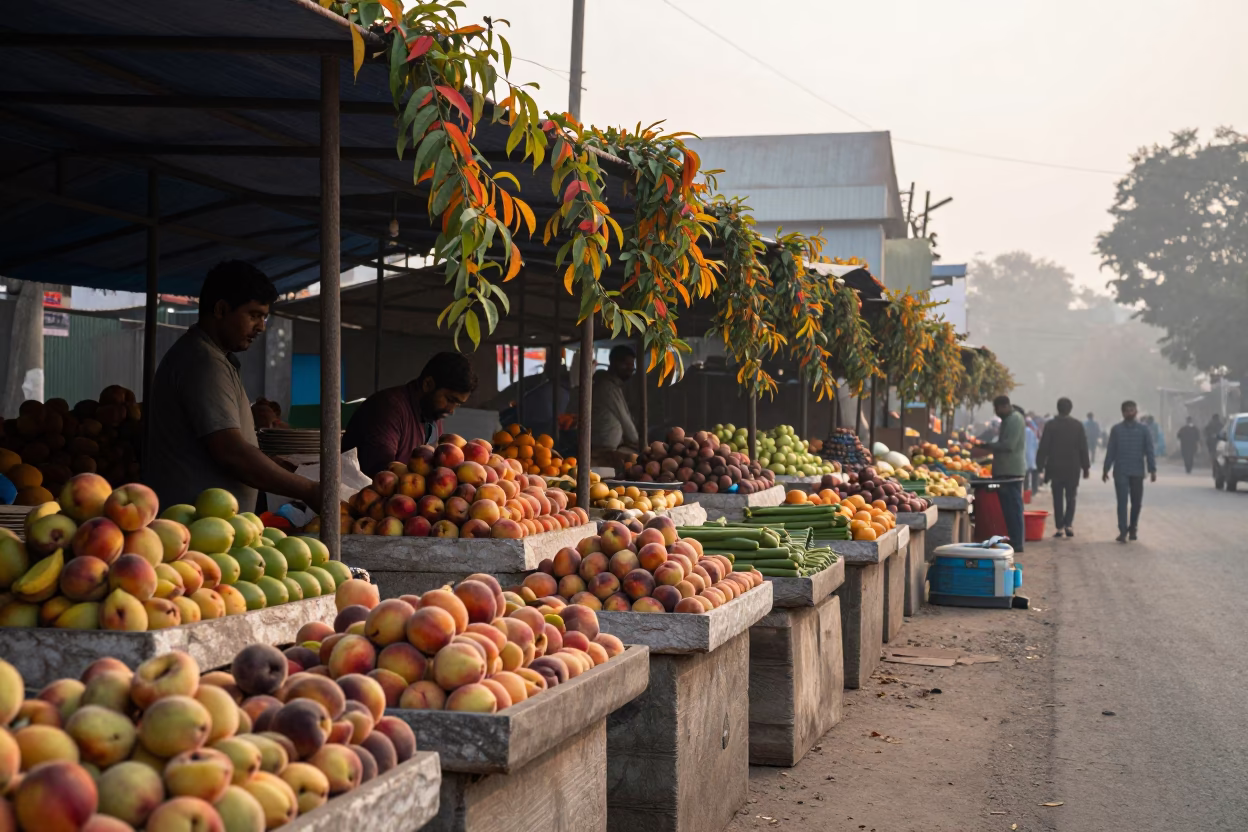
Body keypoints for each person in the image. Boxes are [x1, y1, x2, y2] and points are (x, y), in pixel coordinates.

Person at [146, 260, 323, 513]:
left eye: (264, 317)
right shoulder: (203, 362)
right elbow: (231, 452)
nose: (261, 327)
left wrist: (277, 465)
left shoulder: (215, 357)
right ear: (220, 309)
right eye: (253, 315)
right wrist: (309, 491)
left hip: (215, 529)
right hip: (195, 529)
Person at [342, 352, 477, 476]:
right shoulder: (388, 408)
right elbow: (382, 475)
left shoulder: (432, 416)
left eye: (457, 404)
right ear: (428, 384)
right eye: (450, 400)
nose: (451, 410)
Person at [972, 395, 1026, 552]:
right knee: (1009, 509)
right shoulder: (1009, 419)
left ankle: (1017, 542)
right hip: (1005, 470)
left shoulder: (1014, 419)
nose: (996, 412)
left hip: (1011, 471)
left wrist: (987, 446)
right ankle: (1015, 541)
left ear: (1004, 406)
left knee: (1014, 509)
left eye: (997, 409)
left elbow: (1009, 445)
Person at [1103, 400, 1156, 543]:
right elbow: (1111, 451)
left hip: (1137, 471)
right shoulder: (1116, 430)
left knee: (1136, 502)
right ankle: (1122, 531)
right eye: (1127, 410)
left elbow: (1149, 450)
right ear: (1122, 412)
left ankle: (1133, 527)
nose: (1130, 412)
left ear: (1136, 412)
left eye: (1132, 410)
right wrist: (1106, 469)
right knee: (1122, 502)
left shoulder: (1144, 430)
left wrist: (1152, 469)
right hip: (1121, 470)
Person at [1036, 397, 1090, 538]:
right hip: (1073, 467)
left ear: (1057, 408)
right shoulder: (1077, 425)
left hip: (1055, 467)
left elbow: (1044, 447)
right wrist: (1085, 467)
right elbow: (1083, 447)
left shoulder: (1051, 425)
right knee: (1071, 496)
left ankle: (1059, 526)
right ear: (1070, 409)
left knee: (1057, 497)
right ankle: (1068, 524)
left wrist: (1040, 466)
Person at [590, 345, 639, 469]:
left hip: (611, 448)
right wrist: (640, 443)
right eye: (626, 364)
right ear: (613, 363)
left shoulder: (615, 386)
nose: (631, 368)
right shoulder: (607, 387)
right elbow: (626, 421)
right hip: (602, 451)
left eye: (632, 364)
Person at [1023, 412, 1041, 495]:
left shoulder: (1022, 431)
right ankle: (1034, 489)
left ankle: (1026, 489)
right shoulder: (1030, 430)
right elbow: (1036, 442)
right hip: (1032, 453)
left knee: (1026, 473)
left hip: (1025, 454)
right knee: (1033, 472)